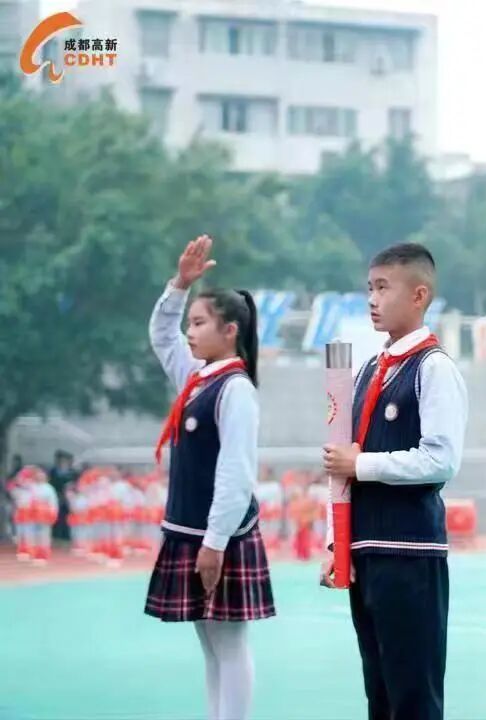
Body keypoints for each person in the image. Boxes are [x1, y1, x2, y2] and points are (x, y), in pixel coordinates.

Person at [321, 243, 468, 720]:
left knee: (413, 697)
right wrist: (336, 543)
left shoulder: (433, 368)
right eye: (370, 288)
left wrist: (362, 465)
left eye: (383, 288)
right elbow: (339, 463)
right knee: (379, 695)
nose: (372, 299)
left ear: (419, 295)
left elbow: (440, 460)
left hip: (410, 554)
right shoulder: (368, 370)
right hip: (366, 553)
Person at [145, 235, 275, 720]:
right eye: (191, 322)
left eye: (199, 323)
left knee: (230, 643)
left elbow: (236, 472)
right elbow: (162, 336)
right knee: (210, 644)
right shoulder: (196, 378)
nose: (189, 332)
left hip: (218, 536)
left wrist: (215, 542)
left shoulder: (235, 389)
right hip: (190, 529)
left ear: (230, 330)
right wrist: (179, 286)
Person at [48, 450, 78, 541]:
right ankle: (56, 537)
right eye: (61, 461)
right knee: (56, 519)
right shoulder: (52, 472)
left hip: (69, 500)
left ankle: (66, 537)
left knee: (67, 519)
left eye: (65, 461)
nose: (63, 463)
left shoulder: (73, 473)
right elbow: (50, 485)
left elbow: (77, 486)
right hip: (56, 498)